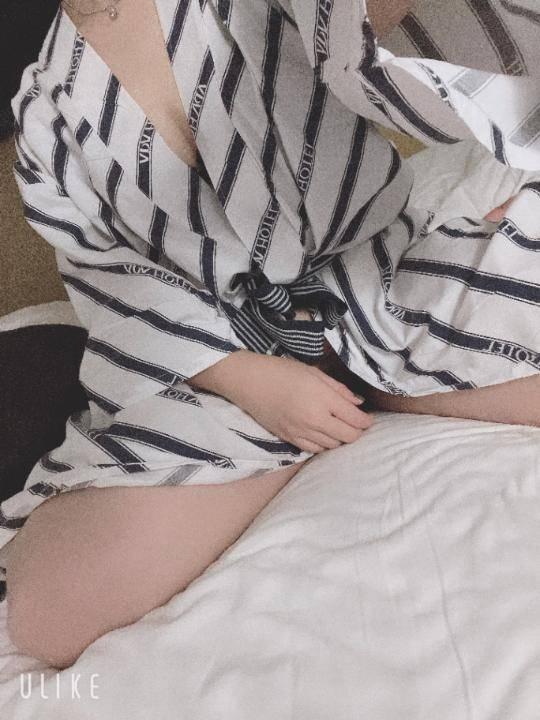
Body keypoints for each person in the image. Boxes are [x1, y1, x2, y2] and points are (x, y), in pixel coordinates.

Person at [2, 0, 540, 669]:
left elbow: (377, 41)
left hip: (378, 283)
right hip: (225, 352)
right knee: (51, 612)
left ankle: (379, 385)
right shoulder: (46, 114)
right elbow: (108, 278)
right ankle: (324, 413)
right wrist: (247, 381)